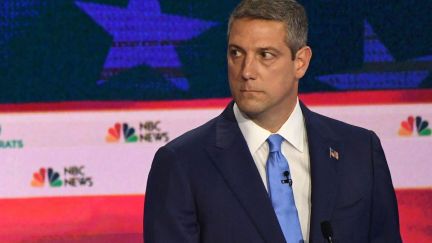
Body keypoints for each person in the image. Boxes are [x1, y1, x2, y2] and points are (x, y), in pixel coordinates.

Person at [144, 0, 402, 242]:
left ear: (300, 62)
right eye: (236, 53)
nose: (246, 71)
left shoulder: (360, 150)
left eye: (265, 55)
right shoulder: (182, 163)